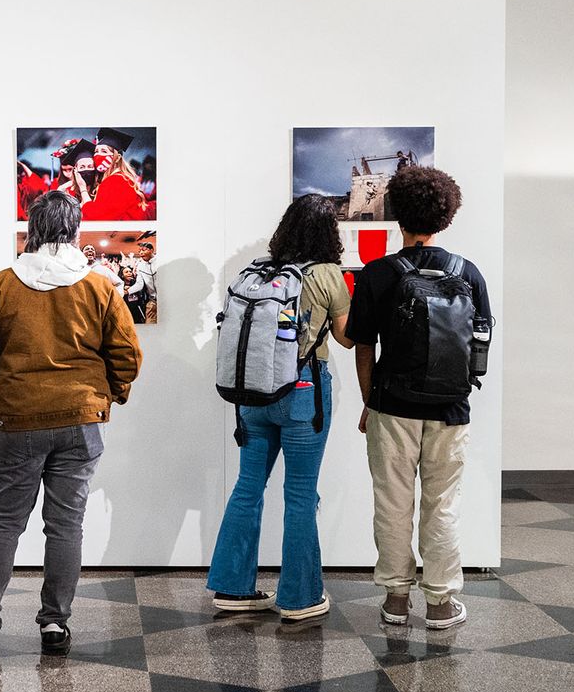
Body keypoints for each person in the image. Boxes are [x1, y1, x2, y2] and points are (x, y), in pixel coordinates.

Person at [0, 191, 142, 655]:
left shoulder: (0, 286)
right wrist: (107, 395)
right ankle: (54, 624)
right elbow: (127, 355)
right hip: (81, 419)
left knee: (2, 522)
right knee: (65, 527)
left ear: (31, 230)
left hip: (14, 420)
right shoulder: (98, 287)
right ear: (74, 230)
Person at [347, 166, 491, 630]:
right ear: (446, 215)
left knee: (392, 503)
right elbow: (480, 343)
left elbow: (363, 345)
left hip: (392, 406)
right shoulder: (468, 272)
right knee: (442, 504)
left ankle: (394, 599)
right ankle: (442, 603)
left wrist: (370, 401)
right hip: (451, 409)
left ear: (397, 217)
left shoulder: (378, 274)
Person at [206, 194, 353, 622]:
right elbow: (346, 338)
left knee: (247, 488)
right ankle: (300, 598)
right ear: (330, 233)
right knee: (301, 494)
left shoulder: (257, 272)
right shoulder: (328, 274)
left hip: (252, 399)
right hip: (303, 395)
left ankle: (233, 589)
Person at [74, 128, 150, 221]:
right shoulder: (120, 178)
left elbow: (95, 217)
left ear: (117, 157)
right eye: (96, 151)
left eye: (104, 151)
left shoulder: (116, 181)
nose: (98, 155)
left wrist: (83, 188)